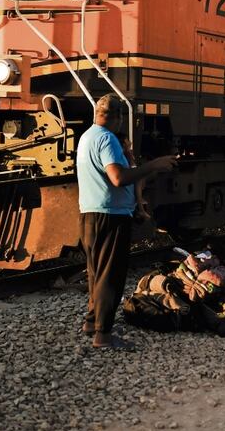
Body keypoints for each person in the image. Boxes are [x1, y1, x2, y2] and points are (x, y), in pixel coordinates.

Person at [76, 94, 177, 349]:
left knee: (96, 273)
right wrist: (154, 165)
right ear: (118, 118)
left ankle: (91, 321)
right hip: (109, 216)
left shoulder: (87, 136)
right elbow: (118, 178)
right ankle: (103, 334)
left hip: (89, 214)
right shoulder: (107, 138)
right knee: (111, 275)